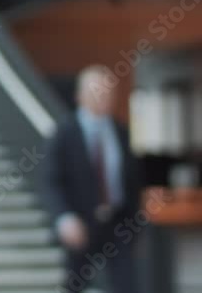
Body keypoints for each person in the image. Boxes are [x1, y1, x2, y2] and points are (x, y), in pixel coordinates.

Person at [40, 64, 145, 293]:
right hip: (82, 224)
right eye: (96, 92)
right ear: (80, 96)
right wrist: (65, 218)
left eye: (107, 92)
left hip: (118, 224)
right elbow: (52, 181)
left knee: (127, 285)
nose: (103, 98)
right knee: (76, 284)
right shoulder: (64, 133)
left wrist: (135, 225)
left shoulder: (121, 132)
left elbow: (133, 183)